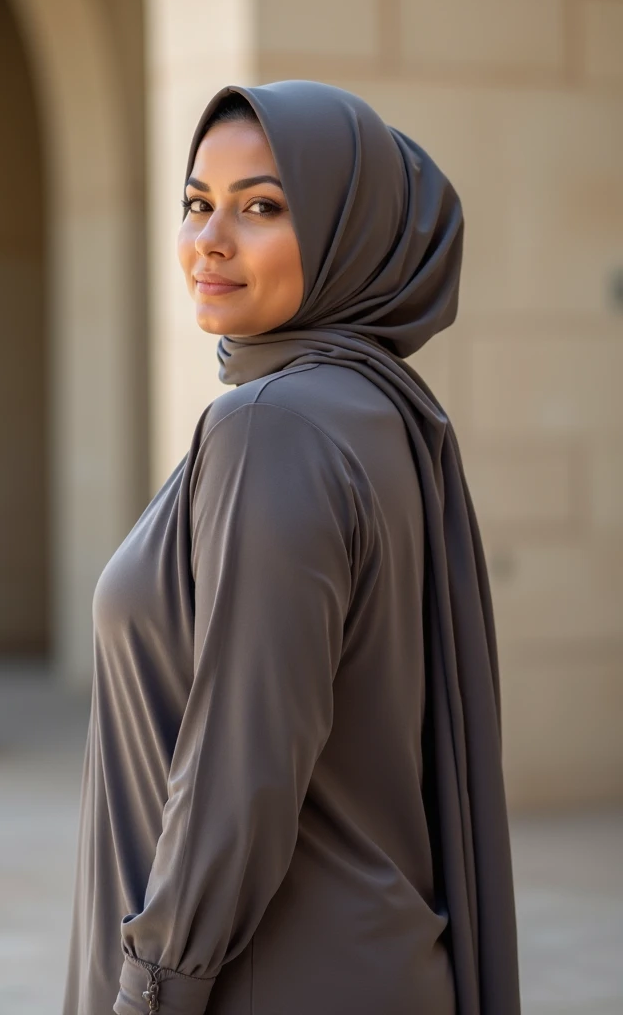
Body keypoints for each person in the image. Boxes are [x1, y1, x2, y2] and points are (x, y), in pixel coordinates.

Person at [62, 80, 521, 1015]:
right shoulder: (384, 413)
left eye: (263, 206)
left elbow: (244, 763)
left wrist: (152, 990)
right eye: (198, 205)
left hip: (266, 978)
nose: (210, 241)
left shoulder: (271, 427)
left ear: (349, 231)